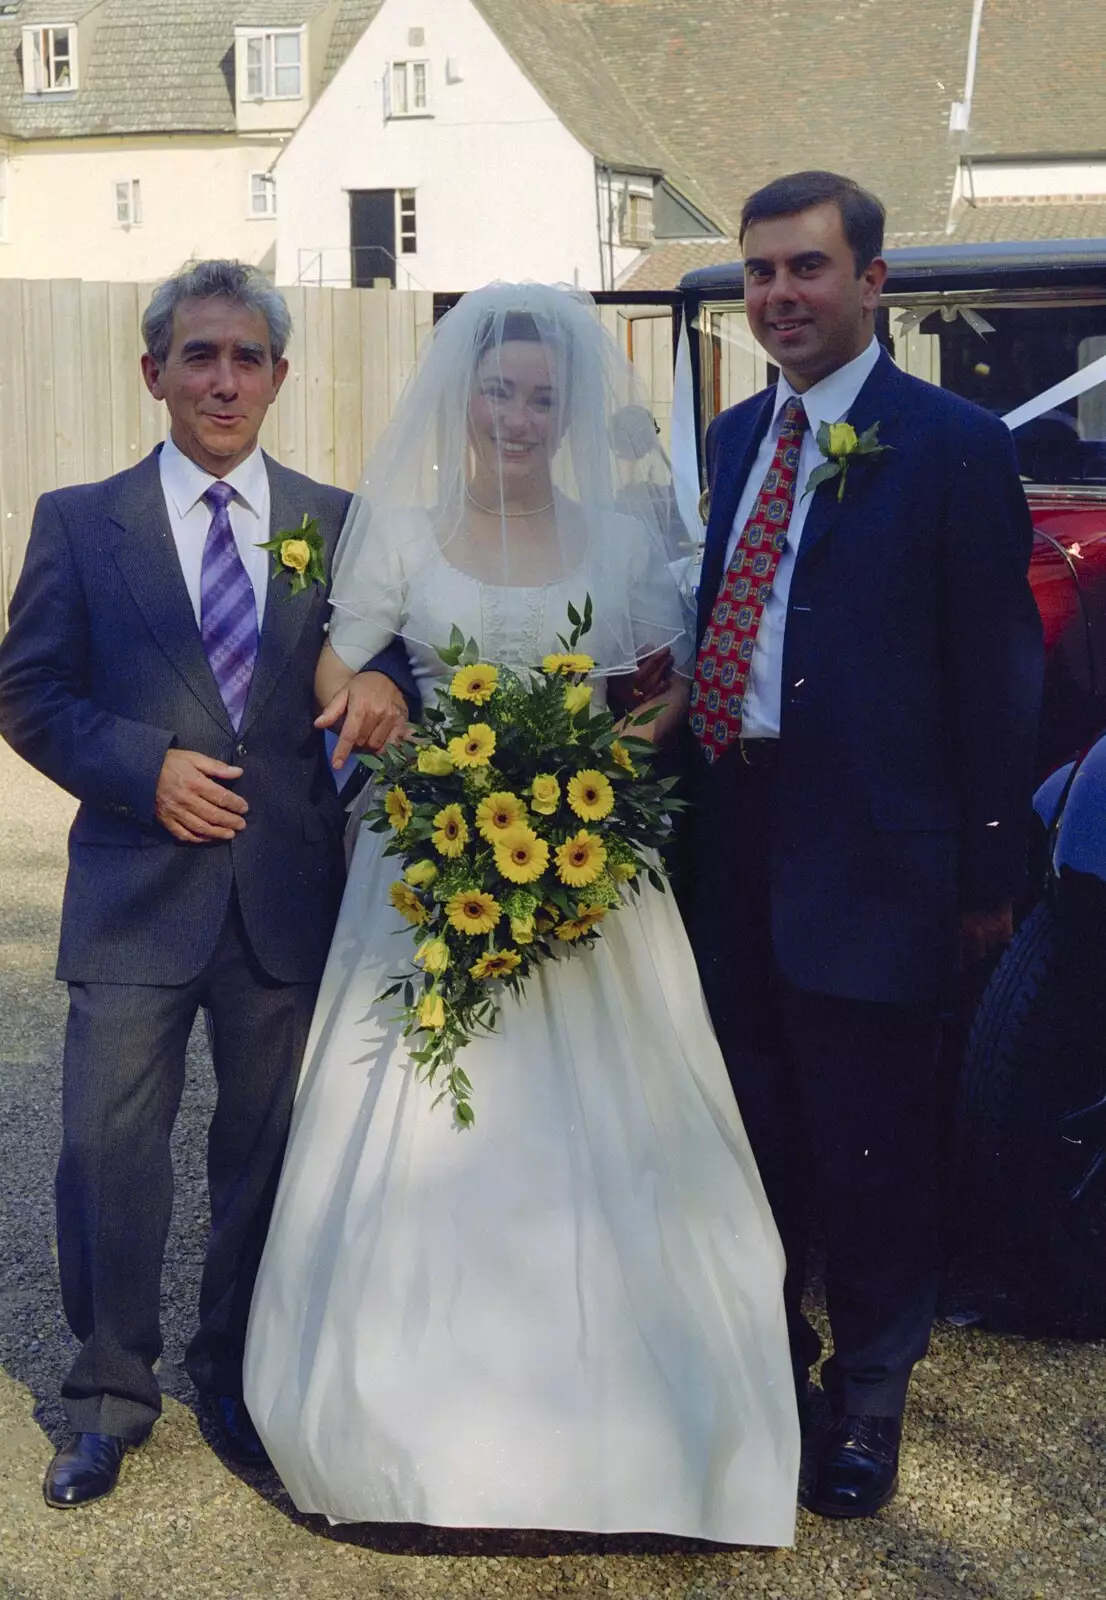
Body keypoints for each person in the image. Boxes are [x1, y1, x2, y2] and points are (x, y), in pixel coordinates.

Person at [243, 283, 800, 1544]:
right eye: (499, 390)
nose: (518, 414)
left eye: (543, 397)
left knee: (626, 1124)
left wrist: (589, 770)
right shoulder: (399, 528)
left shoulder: (614, 544)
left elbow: (660, 697)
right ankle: (409, 1442)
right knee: (428, 1126)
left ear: (568, 411)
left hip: (588, 859)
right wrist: (377, 705)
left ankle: (639, 1441)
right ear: (461, 397)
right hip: (431, 855)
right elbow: (342, 657)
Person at [0, 261, 417, 1509]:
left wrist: (387, 685)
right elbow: (26, 690)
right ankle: (108, 1395)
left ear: (279, 376)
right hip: (136, 890)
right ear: (154, 374)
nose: (223, 379)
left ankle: (234, 1368)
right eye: (198, 356)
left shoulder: (340, 521)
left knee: (268, 1150)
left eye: (246, 357)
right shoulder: (83, 519)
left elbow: (385, 659)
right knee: (101, 1149)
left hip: (287, 896)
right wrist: (142, 767)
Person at [681, 172, 1044, 1518]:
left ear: (872, 283)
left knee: (870, 1144)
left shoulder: (951, 443)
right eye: (760, 271)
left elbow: (998, 675)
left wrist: (988, 871)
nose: (778, 294)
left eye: (807, 270)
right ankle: (767, 1374)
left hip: (878, 857)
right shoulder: (729, 442)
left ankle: (869, 1398)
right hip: (733, 836)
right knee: (751, 1129)